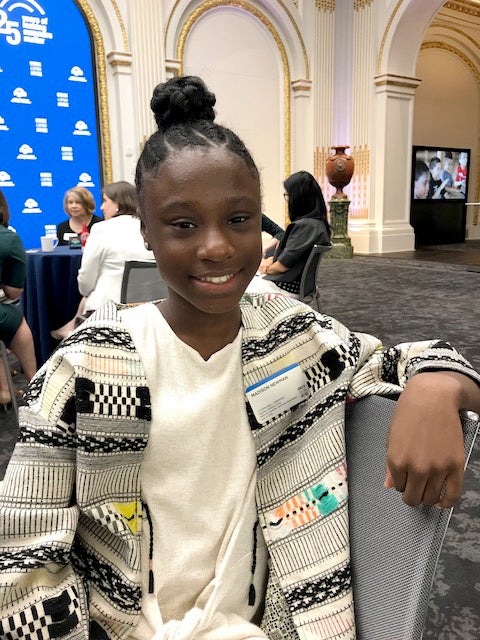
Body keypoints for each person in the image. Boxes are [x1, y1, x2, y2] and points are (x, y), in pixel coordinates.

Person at [1, 76, 479, 640]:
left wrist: (439, 385)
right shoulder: (85, 367)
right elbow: (24, 557)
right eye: (183, 225)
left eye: (238, 220)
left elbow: (411, 359)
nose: (216, 246)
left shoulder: (297, 340)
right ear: (146, 234)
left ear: (261, 222)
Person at [50, 181, 155, 340]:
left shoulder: (101, 229)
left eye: (105, 201)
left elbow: (85, 281)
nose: (101, 207)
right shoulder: (151, 227)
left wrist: (87, 292)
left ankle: (71, 332)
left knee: (91, 290)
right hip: (150, 309)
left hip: (106, 312)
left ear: (118, 204)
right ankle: (70, 329)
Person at [248, 170, 331, 297]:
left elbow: (281, 267)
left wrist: (263, 268)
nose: (287, 200)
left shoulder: (305, 227)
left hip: (285, 288)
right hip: (293, 285)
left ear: (298, 198)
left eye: (288, 195)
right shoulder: (317, 224)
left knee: (236, 290)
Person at [0, 189, 37, 408]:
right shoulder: (9, 239)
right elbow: (14, 292)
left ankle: (4, 388)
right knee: (15, 319)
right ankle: (35, 382)